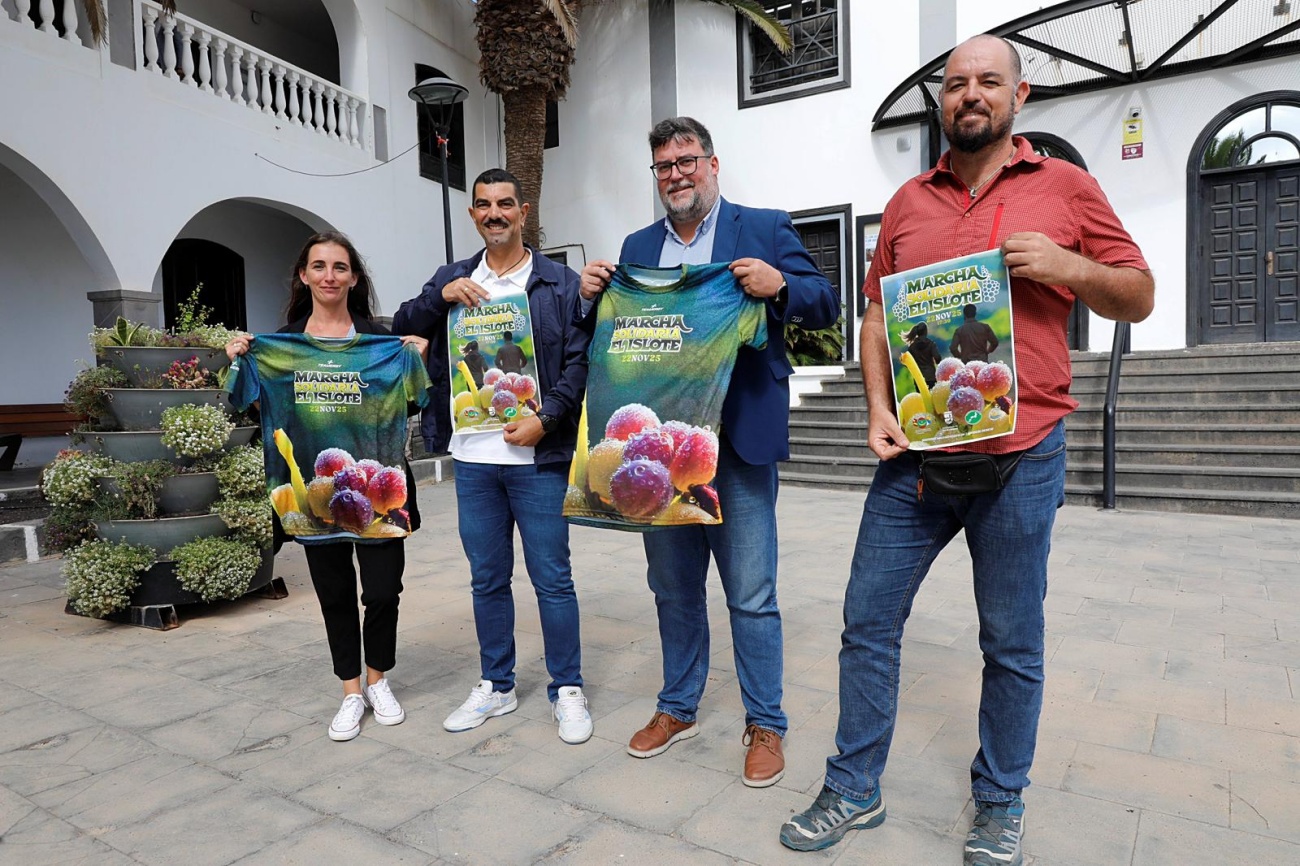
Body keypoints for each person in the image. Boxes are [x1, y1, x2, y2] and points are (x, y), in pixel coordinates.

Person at [780, 36, 1153, 862]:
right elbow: (877, 316)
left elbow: (1140, 293)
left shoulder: (1067, 188)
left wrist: (1067, 264)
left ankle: (1000, 800)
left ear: (1019, 96)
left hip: (1022, 454)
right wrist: (879, 406)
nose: (970, 94)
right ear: (940, 102)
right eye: (955, 84)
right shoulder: (909, 201)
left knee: (1011, 641)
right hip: (915, 457)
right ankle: (853, 786)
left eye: (989, 81)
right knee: (867, 623)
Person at [579, 117, 839, 786]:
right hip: (661, 452)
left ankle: (766, 723)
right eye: (664, 165)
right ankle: (678, 706)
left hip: (738, 445)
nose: (676, 174)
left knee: (751, 595)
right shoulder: (638, 245)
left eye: (686, 160)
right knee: (672, 589)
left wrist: (778, 283)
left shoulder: (765, 226)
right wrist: (588, 299)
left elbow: (824, 303)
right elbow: (615, 334)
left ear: (713, 164)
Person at [392, 168, 594, 744]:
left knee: (553, 579)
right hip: (474, 458)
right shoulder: (455, 277)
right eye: (484, 205)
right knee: (487, 579)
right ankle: (497, 684)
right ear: (474, 214)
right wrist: (439, 296)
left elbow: (580, 361)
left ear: (523, 212)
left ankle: (568, 688)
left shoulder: (558, 281)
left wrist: (547, 416)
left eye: (506, 204)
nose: (495, 213)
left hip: (539, 456)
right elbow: (402, 324)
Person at [225, 231, 431, 743]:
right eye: (319, 266)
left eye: (339, 267)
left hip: (379, 492)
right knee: (335, 595)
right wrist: (238, 359)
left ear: (354, 278)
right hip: (314, 498)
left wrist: (414, 359)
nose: (329, 276)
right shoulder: (281, 347)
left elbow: (412, 404)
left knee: (384, 592)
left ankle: (379, 679)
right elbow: (243, 403)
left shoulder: (381, 345)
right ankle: (350, 692)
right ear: (304, 275)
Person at [902, 321, 943, 388]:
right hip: (931, 377)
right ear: (926, 332)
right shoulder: (931, 344)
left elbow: (907, 362)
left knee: (921, 398)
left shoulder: (912, 347)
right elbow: (938, 359)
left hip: (918, 379)